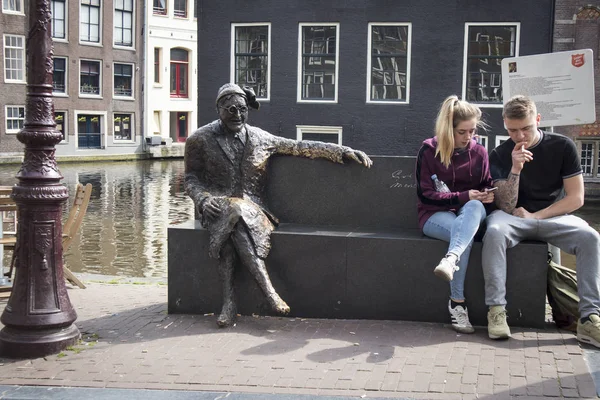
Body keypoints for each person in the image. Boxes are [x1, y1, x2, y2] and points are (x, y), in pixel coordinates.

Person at [184, 83, 372, 327]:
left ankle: (230, 303)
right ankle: (266, 293)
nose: (238, 115)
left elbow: (300, 147)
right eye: (231, 110)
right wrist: (203, 199)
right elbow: (191, 179)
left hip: (257, 210)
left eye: (242, 109)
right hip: (217, 207)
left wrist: (341, 151)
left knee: (237, 214)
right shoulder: (199, 139)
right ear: (218, 108)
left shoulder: (262, 138)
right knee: (232, 215)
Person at [483, 95, 600, 345]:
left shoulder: (562, 146)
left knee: (590, 236)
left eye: (526, 128)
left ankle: (590, 318)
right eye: (513, 130)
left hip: (552, 215)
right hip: (512, 217)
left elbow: (576, 198)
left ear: (538, 120)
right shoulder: (500, 153)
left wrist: (536, 216)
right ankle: (496, 310)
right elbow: (504, 205)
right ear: (505, 125)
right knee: (493, 231)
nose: (520, 136)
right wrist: (515, 169)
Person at [415, 95, 495, 333]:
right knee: (464, 237)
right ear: (448, 130)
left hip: (469, 213)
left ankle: (451, 262)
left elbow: (486, 185)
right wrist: (464, 196)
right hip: (433, 215)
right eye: (462, 132)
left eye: (472, 131)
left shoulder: (480, 152)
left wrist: (487, 196)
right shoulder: (428, 151)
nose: (468, 137)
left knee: (473, 210)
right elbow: (424, 195)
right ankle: (457, 303)